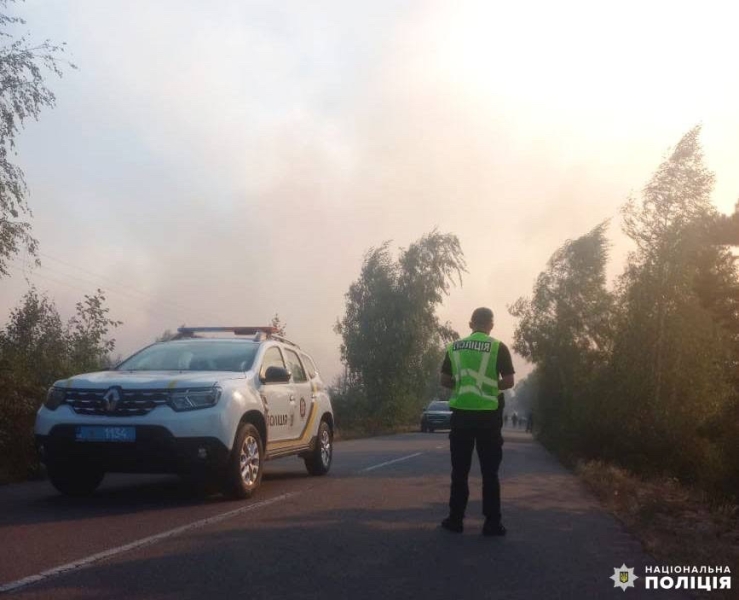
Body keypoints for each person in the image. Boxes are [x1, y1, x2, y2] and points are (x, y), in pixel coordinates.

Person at [439, 307, 515, 536]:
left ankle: (455, 520)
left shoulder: (455, 347)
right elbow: (509, 381)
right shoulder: (498, 347)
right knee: (489, 473)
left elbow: (444, 379)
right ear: (491, 325)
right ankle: (492, 524)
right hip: (488, 418)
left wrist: (463, 387)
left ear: (471, 324)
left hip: (461, 416)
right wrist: (490, 387)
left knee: (459, 472)